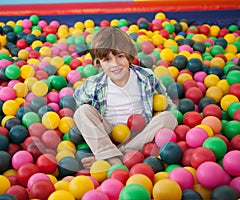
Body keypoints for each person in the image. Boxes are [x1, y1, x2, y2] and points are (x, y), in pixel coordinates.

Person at [73, 26, 178, 169]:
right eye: (107, 60)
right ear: (99, 63)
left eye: (120, 56)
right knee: (82, 112)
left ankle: (113, 157)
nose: (115, 64)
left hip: (141, 134)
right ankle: (109, 153)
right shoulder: (94, 84)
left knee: (169, 117)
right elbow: (77, 99)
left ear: (129, 56)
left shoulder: (146, 76)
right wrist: (90, 121)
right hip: (109, 135)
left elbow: (165, 98)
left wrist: (174, 117)